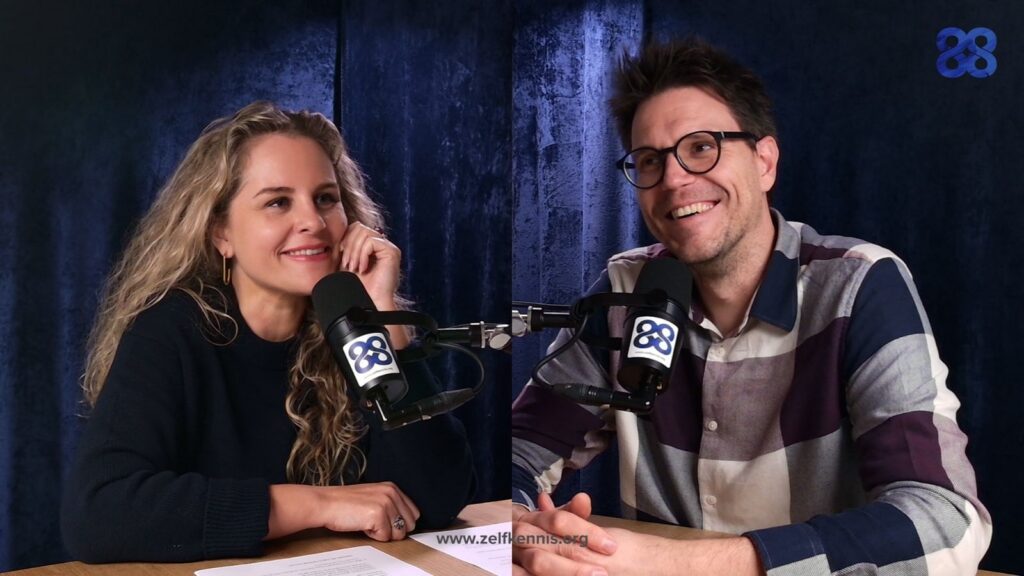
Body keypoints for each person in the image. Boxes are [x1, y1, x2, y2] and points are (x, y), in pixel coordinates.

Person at [511, 39, 991, 575]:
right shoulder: (625, 290)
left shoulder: (860, 286)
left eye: (701, 147)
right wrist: (528, 530)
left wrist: (678, 565)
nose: (673, 179)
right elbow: (517, 454)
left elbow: (945, 523)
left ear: (764, 162)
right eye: (649, 160)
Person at [61, 102, 475, 562]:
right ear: (221, 233)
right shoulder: (169, 332)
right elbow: (98, 514)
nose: (314, 222)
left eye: (326, 198)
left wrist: (383, 320)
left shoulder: (353, 329)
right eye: (278, 202)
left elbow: (437, 498)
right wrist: (316, 505)